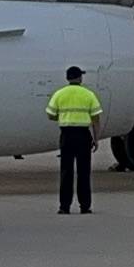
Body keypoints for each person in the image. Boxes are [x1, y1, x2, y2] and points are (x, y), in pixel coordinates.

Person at [47, 65, 101, 213]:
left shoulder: (59, 94)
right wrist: (96, 139)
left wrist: (63, 117)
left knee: (66, 172)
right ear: (80, 78)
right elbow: (96, 119)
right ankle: (85, 206)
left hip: (66, 135)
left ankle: (64, 207)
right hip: (83, 136)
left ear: (67, 78)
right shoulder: (88, 94)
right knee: (84, 172)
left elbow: (50, 114)